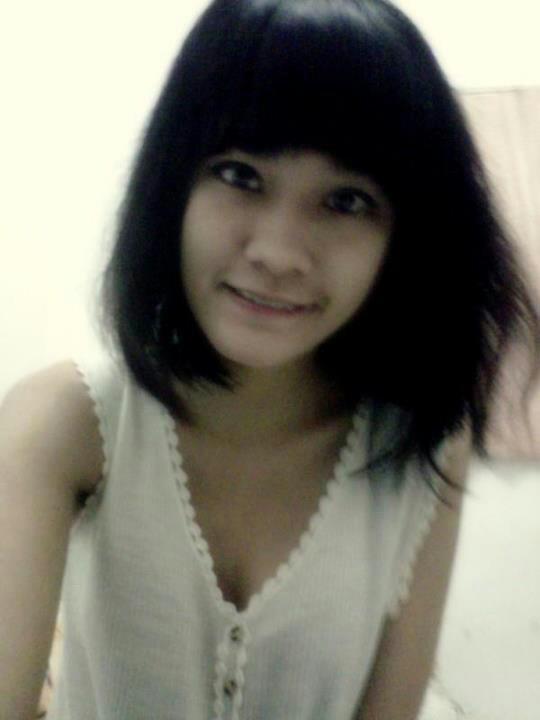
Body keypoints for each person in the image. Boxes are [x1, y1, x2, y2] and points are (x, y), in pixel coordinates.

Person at [2, 0, 539, 718]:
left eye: (346, 200)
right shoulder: (64, 424)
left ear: (406, 237)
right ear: (173, 185)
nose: (279, 253)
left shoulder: (424, 444)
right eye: (240, 174)